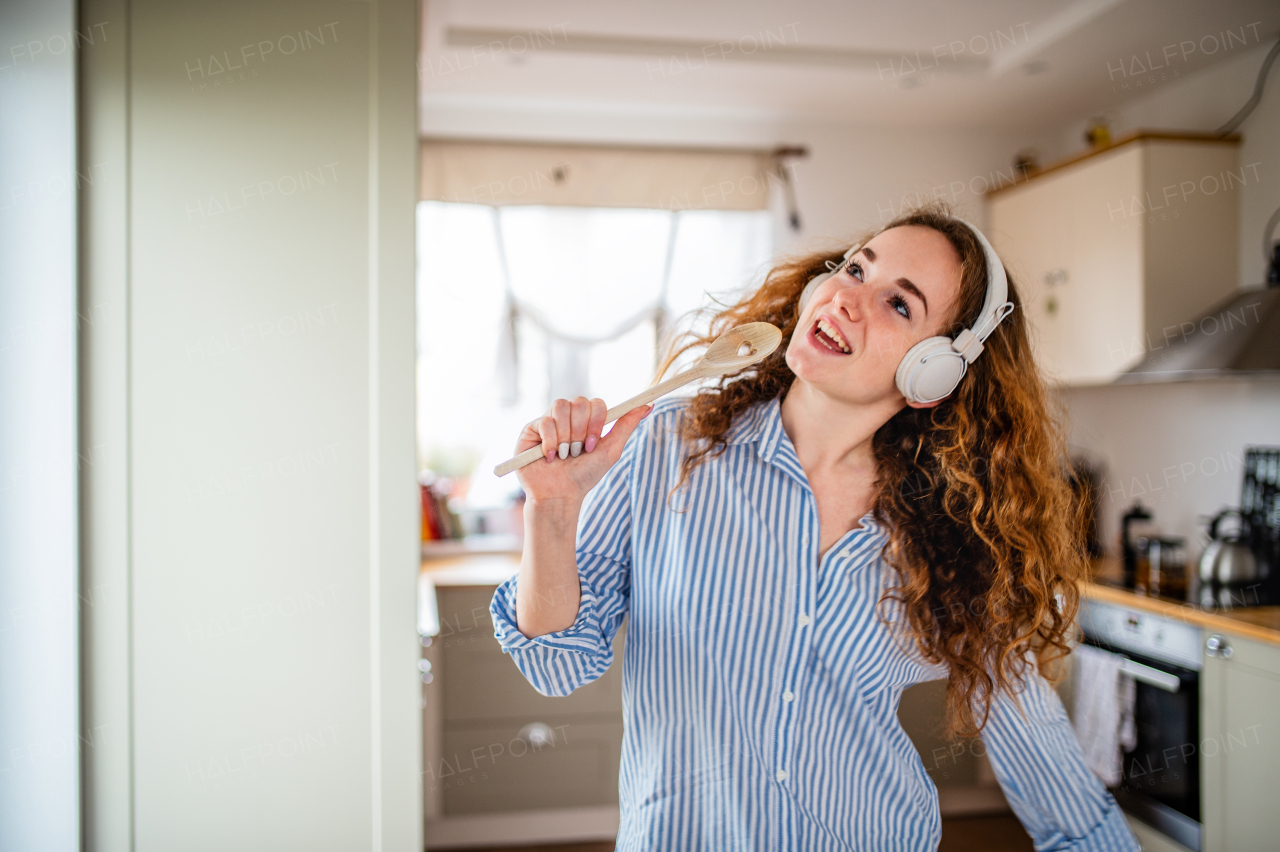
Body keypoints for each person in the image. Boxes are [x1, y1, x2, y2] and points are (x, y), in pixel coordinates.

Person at [489, 202, 1140, 851]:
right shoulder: (667, 447)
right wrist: (551, 509)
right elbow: (556, 665)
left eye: (900, 305)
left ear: (934, 374)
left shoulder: (952, 533)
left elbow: (1061, 793)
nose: (848, 299)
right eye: (856, 269)